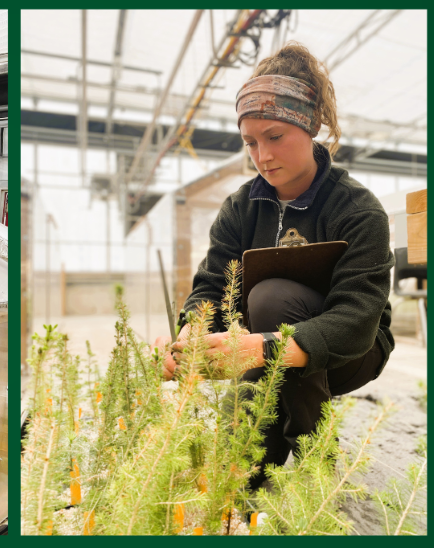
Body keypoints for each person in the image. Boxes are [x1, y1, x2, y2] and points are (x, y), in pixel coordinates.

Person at [154, 42, 394, 489]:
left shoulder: (358, 209)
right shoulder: (240, 208)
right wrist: (192, 331)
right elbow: (211, 287)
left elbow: (359, 318)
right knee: (233, 459)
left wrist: (262, 348)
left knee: (271, 299)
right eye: (250, 142)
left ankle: (314, 462)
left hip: (352, 353)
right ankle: (250, 466)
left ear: (312, 125)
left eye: (275, 137)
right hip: (260, 344)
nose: (262, 155)